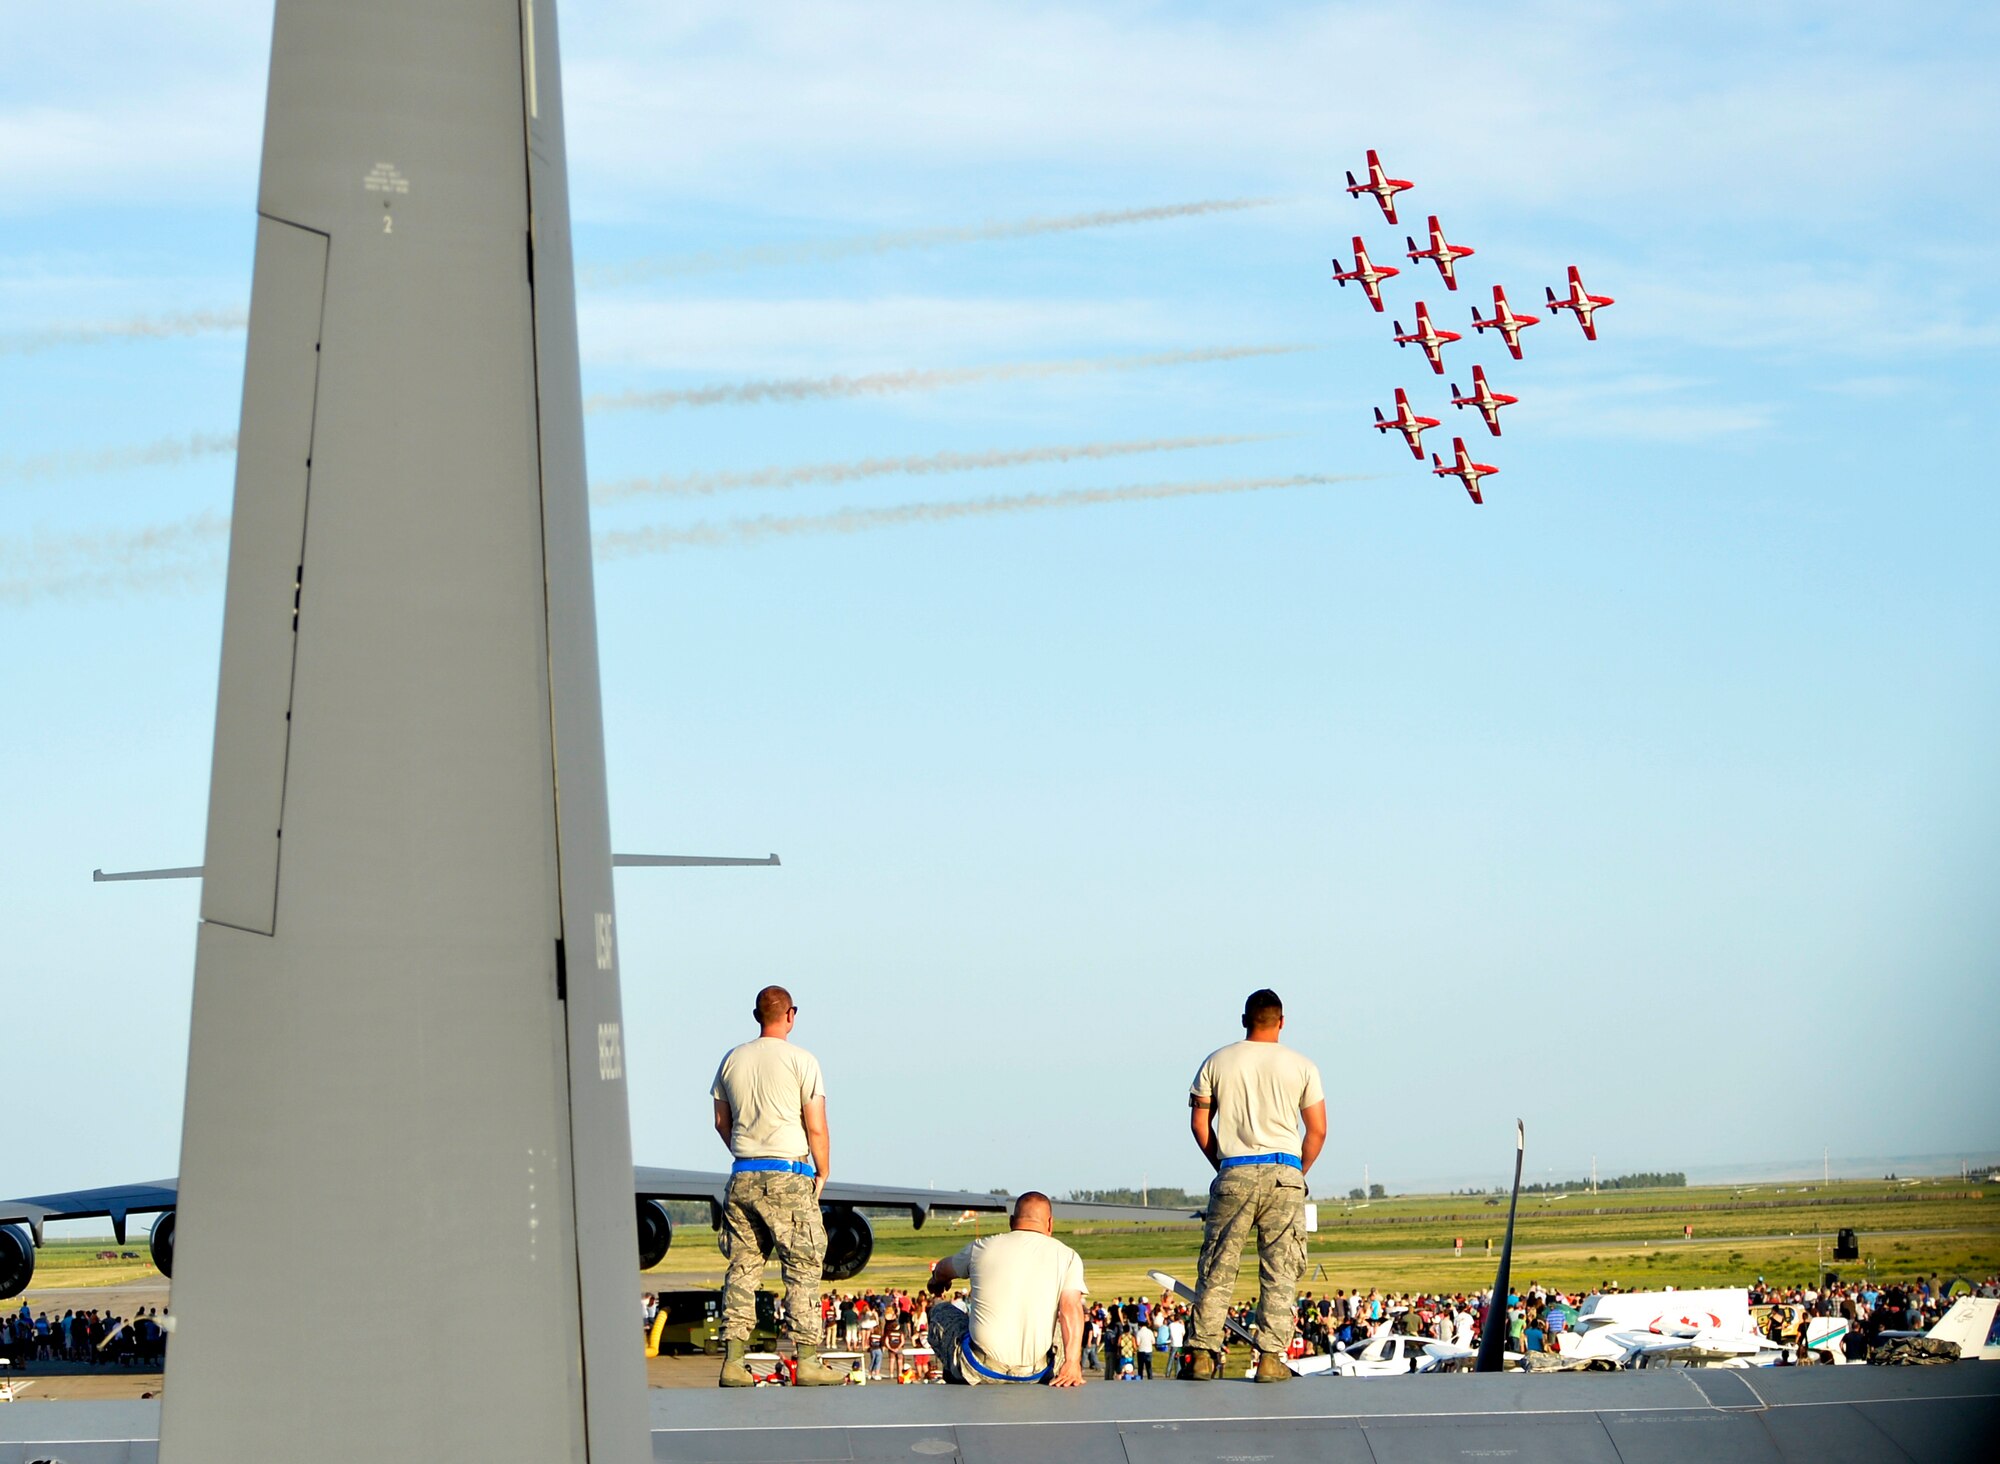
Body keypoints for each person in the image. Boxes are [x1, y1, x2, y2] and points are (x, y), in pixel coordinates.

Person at [1183, 988, 1326, 1383]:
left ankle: (1201, 1354)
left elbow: (1200, 1124)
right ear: (1281, 1021)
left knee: (1219, 1265)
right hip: (1285, 1171)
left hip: (1235, 1169)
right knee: (1280, 1270)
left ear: (1244, 1019)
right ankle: (1269, 1357)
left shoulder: (1216, 1061)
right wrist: (1299, 1173)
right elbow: (1317, 1130)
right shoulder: (1302, 1066)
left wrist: (1223, 1166)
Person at [710, 984, 840, 1387]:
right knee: (802, 1265)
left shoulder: (732, 1059)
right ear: (790, 1015)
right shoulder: (803, 1060)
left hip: (743, 1173)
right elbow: (815, 1125)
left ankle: (733, 1362)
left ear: (756, 1016)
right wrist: (823, 1171)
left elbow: (720, 1121)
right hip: (789, 1173)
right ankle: (808, 1359)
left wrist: (745, 1152)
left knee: (743, 1267)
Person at [923, 1192, 1087, 1386]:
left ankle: (955, 1374)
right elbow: (1070, 1309)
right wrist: (1072, 1362)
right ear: (1050, 1223)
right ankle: (1062, 1372)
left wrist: (937, 1282)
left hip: (980, 1368)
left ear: (1011, 1221)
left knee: (941, 1310)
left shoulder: (982, 1248)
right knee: (1059, 1327)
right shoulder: (1068, 1256)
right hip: (1034, 1372)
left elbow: (943, 1269)